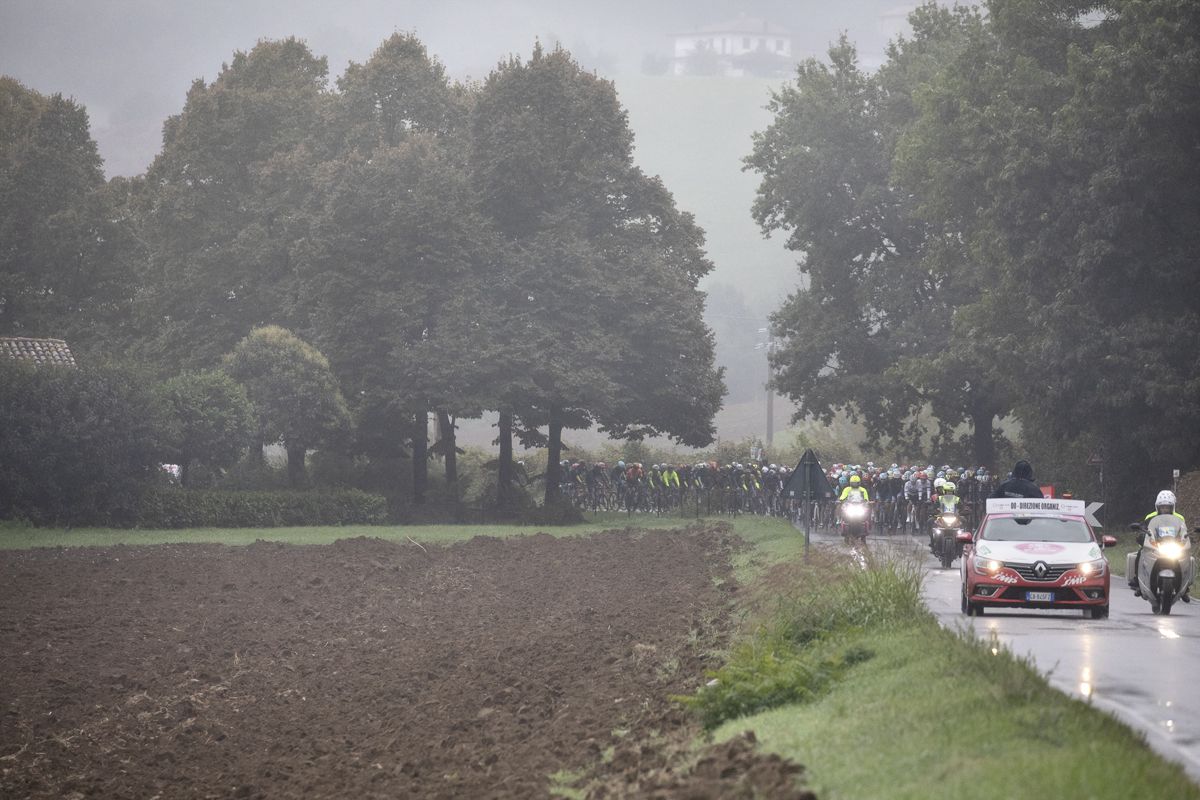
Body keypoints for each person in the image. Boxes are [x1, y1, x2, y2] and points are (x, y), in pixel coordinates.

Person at [1133, 490, 1190, 599]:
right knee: (1139, 554)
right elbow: (1144, 530)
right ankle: (1139, 584)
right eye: (1162, 507)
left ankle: (1184, 587)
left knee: (1188, 558)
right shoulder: (1150, 517)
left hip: (1174, 547)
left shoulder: (1180, 518)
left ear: (1172, 507)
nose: (1164, 510)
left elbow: (1183, 532)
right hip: (1155, 547)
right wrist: (1141, 535)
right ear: (1157, 507)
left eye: (1167, 507)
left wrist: (1186, 539)